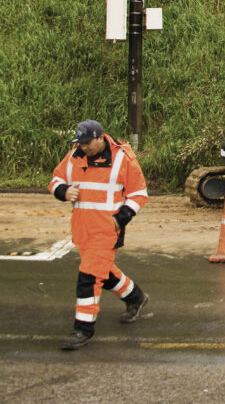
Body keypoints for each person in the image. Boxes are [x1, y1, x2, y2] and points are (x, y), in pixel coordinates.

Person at [48, 120, 150, 350]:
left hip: (107, 230)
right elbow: (55, 179)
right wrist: (63, 191)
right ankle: (135, 298)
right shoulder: (74, 155)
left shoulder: (123, 158)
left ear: (100, 137)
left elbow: (139, 193)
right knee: (101, 271)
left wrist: (119, 219)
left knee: (89, 277)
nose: (83, 147)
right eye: (80, 143)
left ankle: (83, 329)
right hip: (82, 229)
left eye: (87, 143)